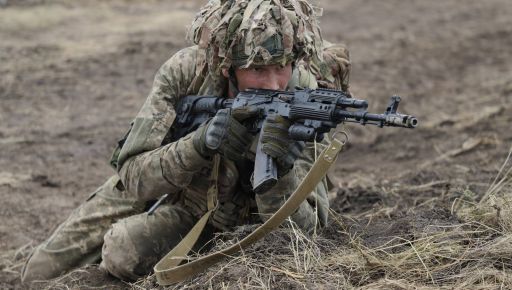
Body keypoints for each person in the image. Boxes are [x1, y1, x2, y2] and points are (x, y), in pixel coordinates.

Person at [21, 0, 351, 283]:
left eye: (283, 67)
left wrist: (277, 170)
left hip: (252, 218)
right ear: (226, 67)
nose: (275, 83)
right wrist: (199, 145)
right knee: (39, 272)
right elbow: (133, 176)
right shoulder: (185, 73)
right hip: (186, 197)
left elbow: (308, 236)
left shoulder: (305, 94)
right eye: (258, 69)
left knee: (124, 248)